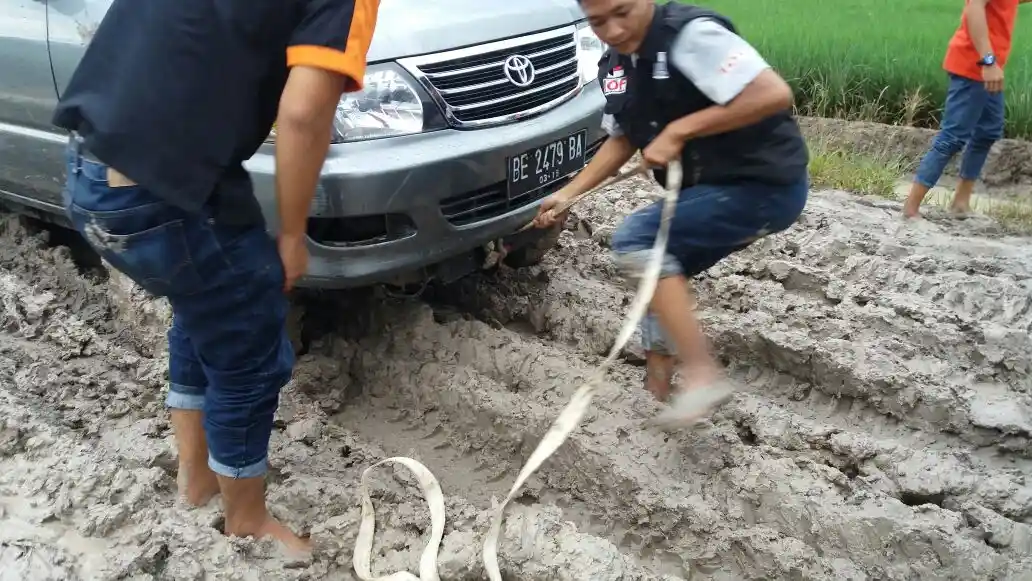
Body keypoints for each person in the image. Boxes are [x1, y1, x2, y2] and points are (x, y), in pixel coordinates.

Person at [52, 0, 381, 553]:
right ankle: (247, 519)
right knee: (249, 338)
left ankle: (197, 478)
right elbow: (304, 112)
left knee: (204, 298)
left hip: (92, 168)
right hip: (158, 195)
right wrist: (293, 235)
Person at [533, 0, 809, 426]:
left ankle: (702, 373)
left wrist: (680, 130)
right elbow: (623, 139)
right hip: (714, 188)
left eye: (621, 12)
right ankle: (658, 388)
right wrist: (566, 195)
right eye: (598, 21)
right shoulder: (617, 65)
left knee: (636, 241)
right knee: (657, 272)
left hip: (762, 185)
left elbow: (773, 94)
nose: (613, 29)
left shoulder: (691, 36)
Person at [903, 0, 1027, 219]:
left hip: (990, 68)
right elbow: (974, 8)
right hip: (974, 66)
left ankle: (961, 202)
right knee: (953, 136)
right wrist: (988, 62)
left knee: (988, 131)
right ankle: (911, 209)